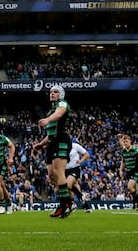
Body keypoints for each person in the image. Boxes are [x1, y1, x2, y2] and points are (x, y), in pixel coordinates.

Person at [33, 84, 74, 218]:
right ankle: (68, 200)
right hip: (51, 142)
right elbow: (50, 133)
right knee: (51, 175)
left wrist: (47, 119)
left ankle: (64, 205)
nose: (52, 94)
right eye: (51, 92)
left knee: (59, 172)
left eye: (55, 92)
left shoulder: (62, 104)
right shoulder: (51, 110)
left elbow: (60, 113)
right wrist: (41, 144)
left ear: (61, 94)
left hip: (61, 139)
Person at [118, 134, 138, 211]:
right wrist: (121, 170)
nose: (125, 143)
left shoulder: (135, 149)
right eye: (124, 142)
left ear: (130, 141)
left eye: (127, 141)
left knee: (129, 187)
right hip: (129, 171)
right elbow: (123, 161)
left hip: (136, 171)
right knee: (134, 190)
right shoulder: (123, 151)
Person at [66, 140, 91, 213]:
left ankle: (72, 204)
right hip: (65, 170)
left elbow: (86, 154)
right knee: (74, 189)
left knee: (68, 185)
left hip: (75, 169)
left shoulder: (75, 146)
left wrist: (81, 160)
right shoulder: (62, 147)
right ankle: (87, 207)